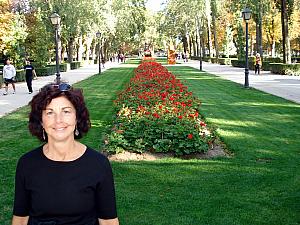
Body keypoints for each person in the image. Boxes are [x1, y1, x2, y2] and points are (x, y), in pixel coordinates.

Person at [12, 82, 119, 225]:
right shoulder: (27, 163)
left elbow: (108, 222)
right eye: (50, 112)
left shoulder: (98, 164)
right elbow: (20, 219)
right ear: (41, 121)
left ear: (77, 118)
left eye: (66, 111)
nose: (58, 120)